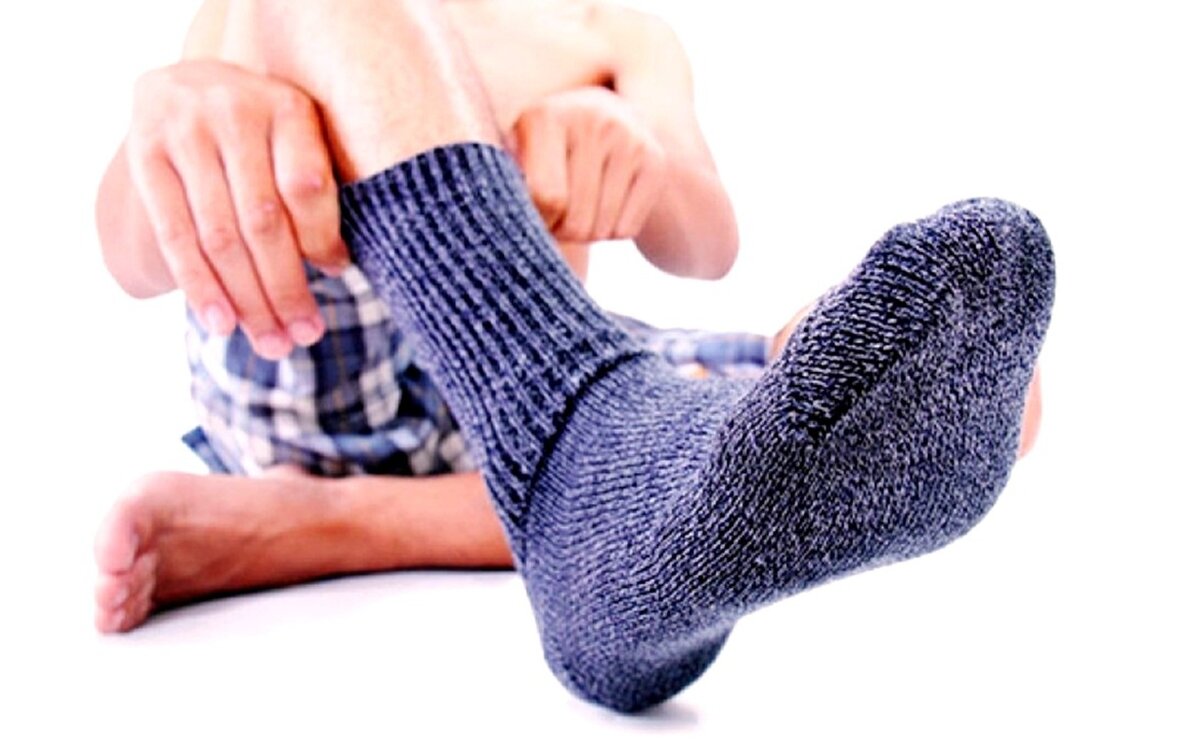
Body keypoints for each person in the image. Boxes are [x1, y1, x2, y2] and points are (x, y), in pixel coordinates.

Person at [93, 0, 1044, 650]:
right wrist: (167, 128)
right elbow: (128, 256)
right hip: (319, 373)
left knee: (967, 394)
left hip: (544, 397)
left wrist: (639, 162)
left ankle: (321, 523)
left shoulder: (615, 33)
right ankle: (587, 518)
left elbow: (709, 242)